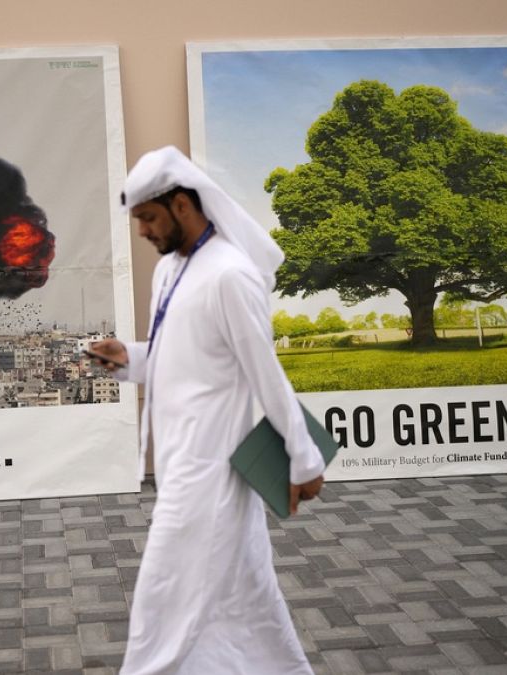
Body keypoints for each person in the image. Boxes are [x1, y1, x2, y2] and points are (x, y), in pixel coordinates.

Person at [88, 146, 326, 674]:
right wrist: (130, 358)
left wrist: (304, 460)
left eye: (148, 218)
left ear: (180, 204)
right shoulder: (172, 271)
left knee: (162, 604)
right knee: (244, 599)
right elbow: (184, 358)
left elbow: (266, 376)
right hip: (181, 464)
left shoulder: (229, 274)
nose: (144, 232)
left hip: (211, 473)